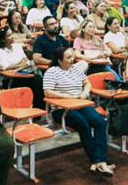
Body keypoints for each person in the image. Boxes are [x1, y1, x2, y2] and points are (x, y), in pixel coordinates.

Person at [41, 47, 115, 177]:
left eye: (72, 57)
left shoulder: (75, 69)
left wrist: (85, 92)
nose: (72, 60)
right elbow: (47, 92)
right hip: (61, 109)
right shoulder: (52, 72)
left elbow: (87, 83)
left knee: (100, 122)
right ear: (59, 60)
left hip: (80, 104)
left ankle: (99, 161)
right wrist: (68, 97)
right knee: (83, 125)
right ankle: (99, 161)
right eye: (68, 58)